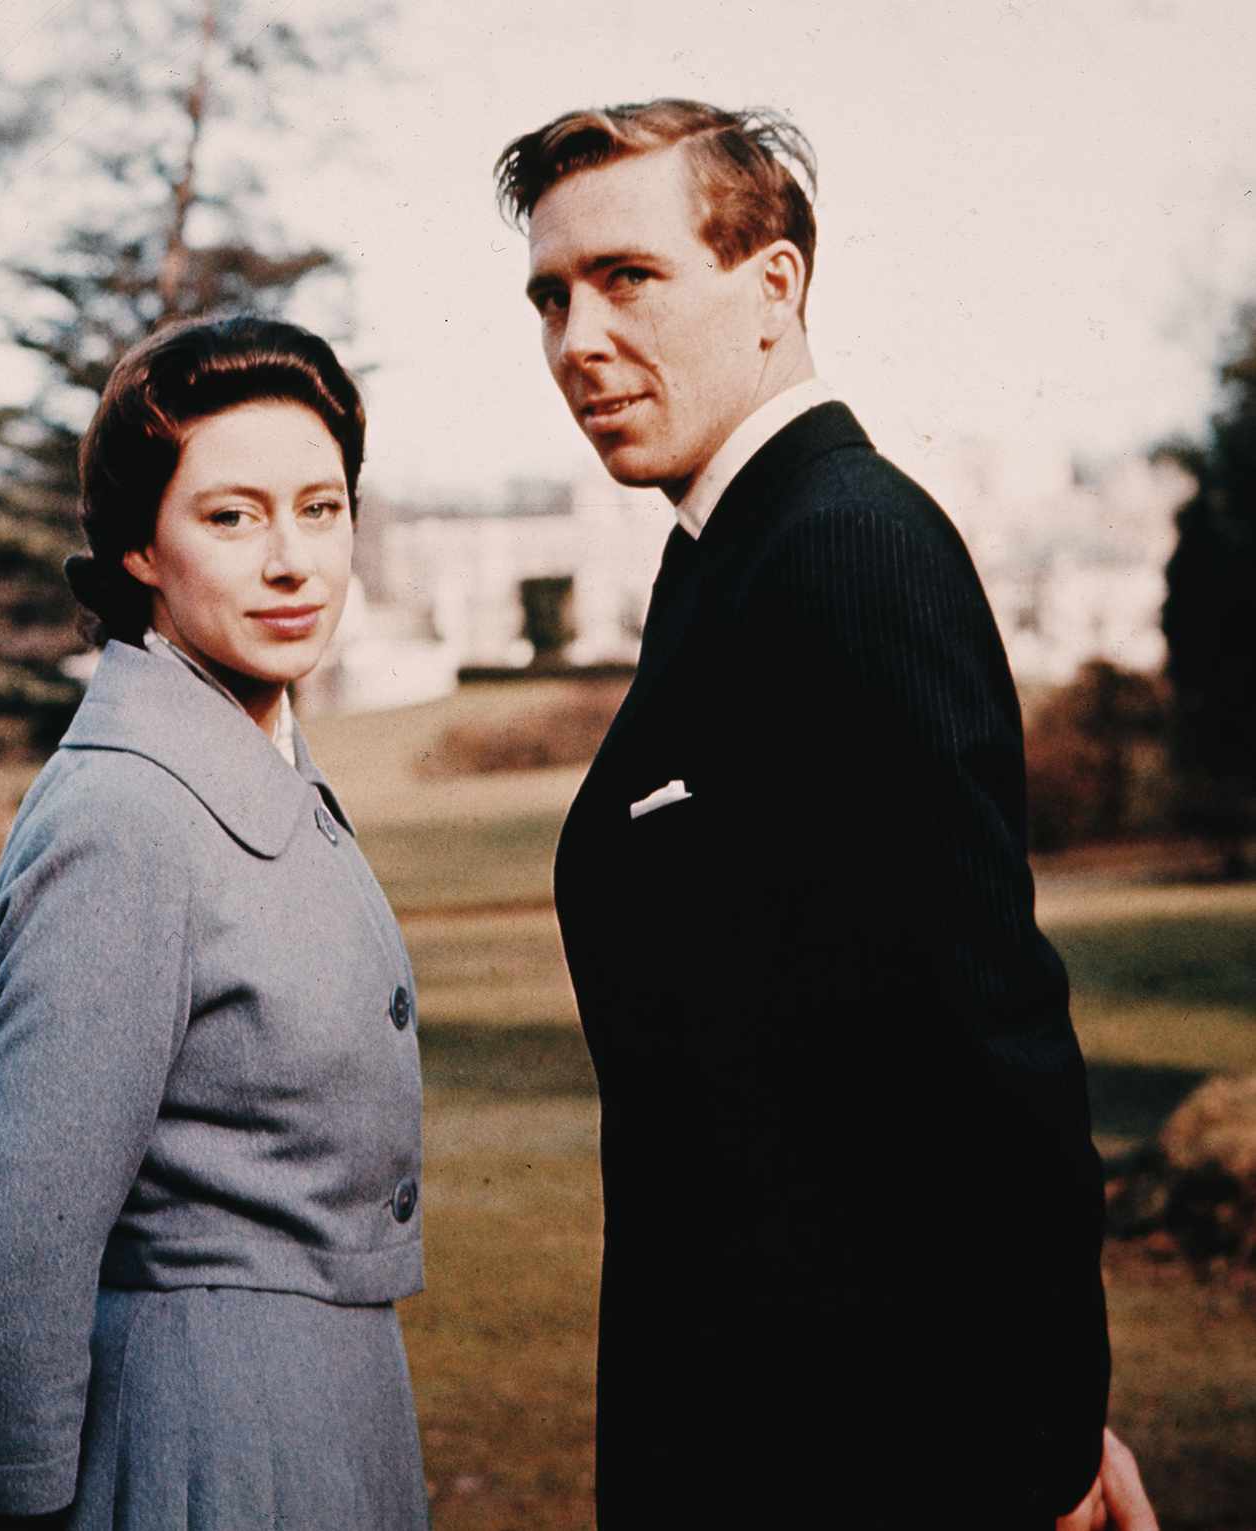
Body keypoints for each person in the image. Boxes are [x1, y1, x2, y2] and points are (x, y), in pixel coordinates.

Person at [495, 100, 1158, 1529]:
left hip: (864, 1446)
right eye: (550, 295)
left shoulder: (845, 550)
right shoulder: (727, 555)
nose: (575, 341)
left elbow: (990, 1039)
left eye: (628, 277)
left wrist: (1037, 1446)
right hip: (758, 1421)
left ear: (774, 286)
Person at [0, 315, 429, 1530]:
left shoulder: (259, 764)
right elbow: (7, 1261)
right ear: (141, 548)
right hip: (201, 1447)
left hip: (329, 1424)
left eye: (321, 508)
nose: (293, 560)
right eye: (233, 515)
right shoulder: (126, 815)